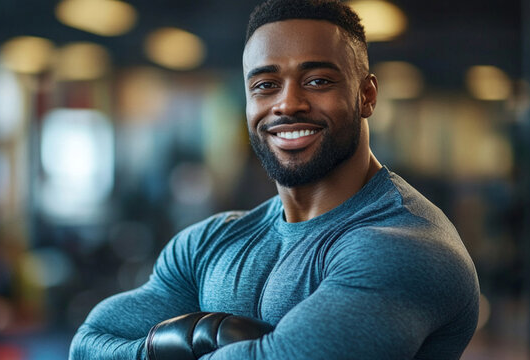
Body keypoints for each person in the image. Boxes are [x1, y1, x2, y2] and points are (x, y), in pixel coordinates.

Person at [69, 0, 480, 359]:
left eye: (317, 81)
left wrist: (181, 346)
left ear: (366, 95)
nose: (288, 104)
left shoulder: (403, 247)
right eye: (265, 85)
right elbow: (88, 344)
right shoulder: (209, 244)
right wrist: (173, 343)